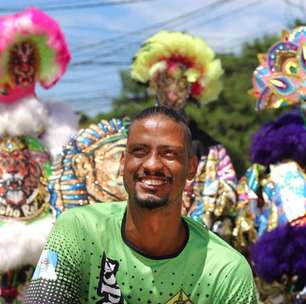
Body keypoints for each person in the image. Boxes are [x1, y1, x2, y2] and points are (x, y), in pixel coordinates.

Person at [25, 106, 257, 304]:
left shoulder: (226, 271)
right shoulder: (78, 230)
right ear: (123, 163)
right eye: (139, 151)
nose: (152, 164)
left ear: (191, 167)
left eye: (169, 153)